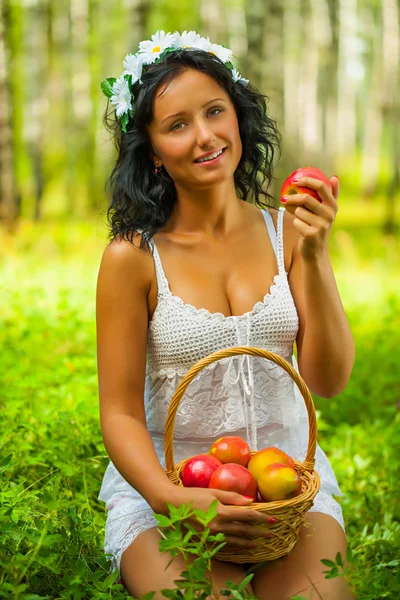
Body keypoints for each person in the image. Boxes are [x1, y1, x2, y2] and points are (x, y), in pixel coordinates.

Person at [96, 30, 356, 600]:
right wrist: (173, 500)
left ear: (238, 119)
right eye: (178, 124)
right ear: (154, 152)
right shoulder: (133, 258)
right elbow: (118, 413)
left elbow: (330, 382)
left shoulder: (287, 231)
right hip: (170, 490)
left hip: (286, 488)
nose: (206, 136)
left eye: (216, 111)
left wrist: (314, 253)